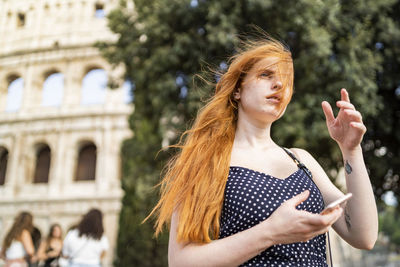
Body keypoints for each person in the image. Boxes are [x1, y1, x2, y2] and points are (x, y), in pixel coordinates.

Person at [148, 36, 378, 266]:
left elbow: (363, 235)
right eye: (266, 75)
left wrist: (351, 150)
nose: (279, 84)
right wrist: (270, 232)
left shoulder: (301, 160)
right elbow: (181, 261)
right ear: (237, 90)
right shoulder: (206, 161)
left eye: (285, 80)